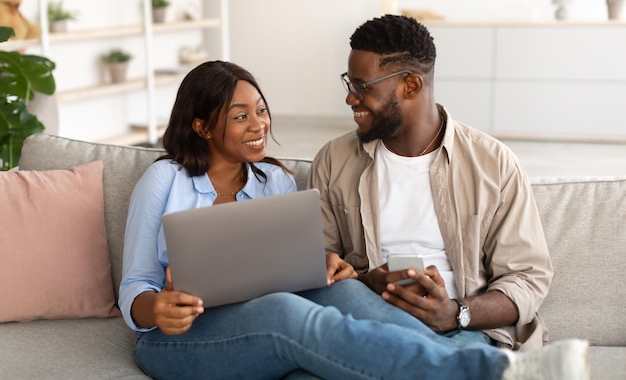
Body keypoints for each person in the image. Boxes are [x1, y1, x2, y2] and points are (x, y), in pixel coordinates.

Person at [119, 60, 588, 380]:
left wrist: (329, 266)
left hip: (257, 319)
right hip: (177, 340)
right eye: (240, 116)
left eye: (261, 110)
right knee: (286, 314)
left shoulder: (276, 184)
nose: (259, 124)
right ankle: (483, 372)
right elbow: (136, 284)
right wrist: (153, 308)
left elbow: (290, 276)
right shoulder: (164, 180)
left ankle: (489, 359)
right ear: (201, 126)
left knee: (340, 290)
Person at [309, 13, 561, 351]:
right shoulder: (333, 160)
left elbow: (528, 278)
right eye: (349, 84)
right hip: (366, 320)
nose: (351, 99)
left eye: (362, 87)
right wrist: (366, 281)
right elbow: (318, 265)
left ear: (411, 85)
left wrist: (456, 313)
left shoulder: (494, 164)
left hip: (463, 332)